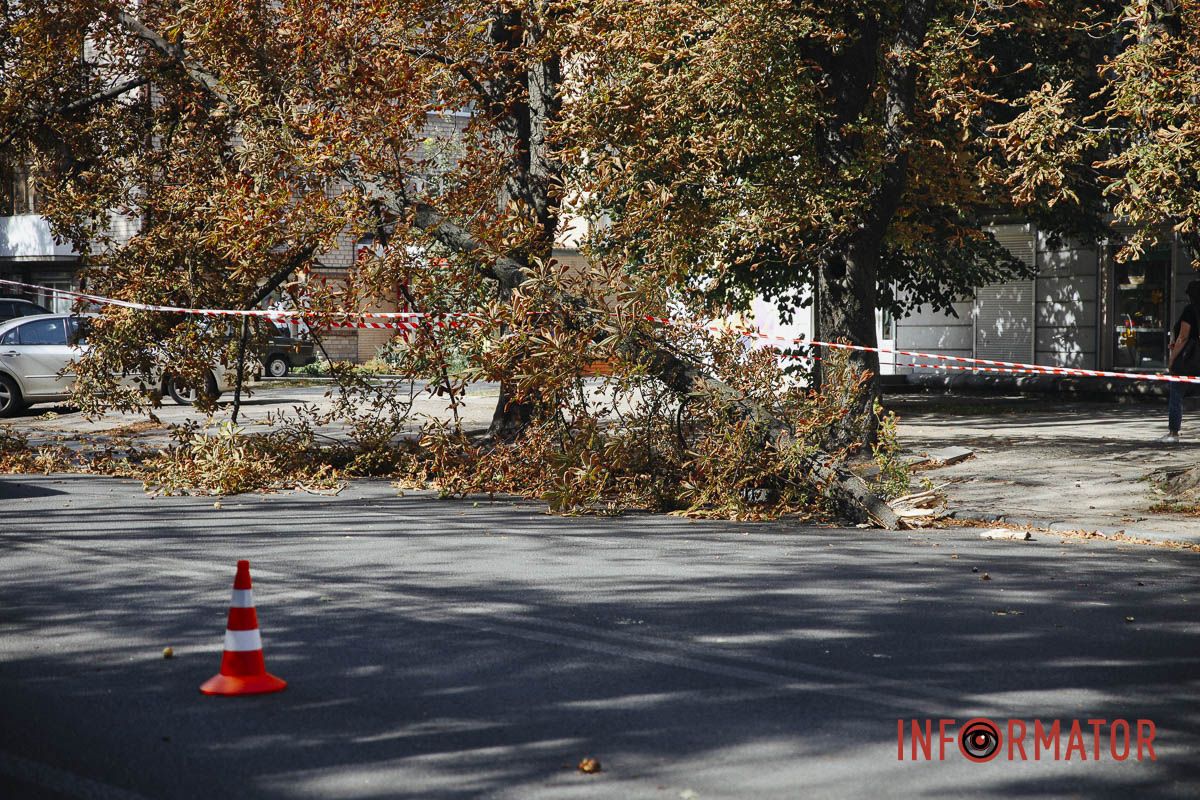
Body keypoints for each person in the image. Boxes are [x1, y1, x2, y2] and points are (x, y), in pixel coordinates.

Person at [1162, 279, 1200, 443]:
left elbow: (1183, 337)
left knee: (1176, 394)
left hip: (1188, 362)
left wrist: (1172, 360)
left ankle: (1173, 434)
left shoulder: (1190, 311)